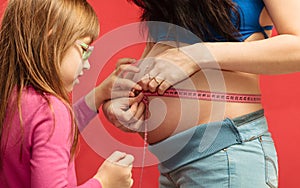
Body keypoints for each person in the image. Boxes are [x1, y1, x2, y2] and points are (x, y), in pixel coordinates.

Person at [101, 0, 300, 187]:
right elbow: (166, 52)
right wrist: (127, 98)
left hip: (225, 155)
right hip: (171, 162)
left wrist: (199, 55)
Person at [0, 0, 143, 187]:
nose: (87, 64)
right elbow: (54, 125)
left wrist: (100, 93)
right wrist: (104, 182)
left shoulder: (14, 97)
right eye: (84, 50)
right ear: (51, 39)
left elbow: (48, 133)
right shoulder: (52, 112)